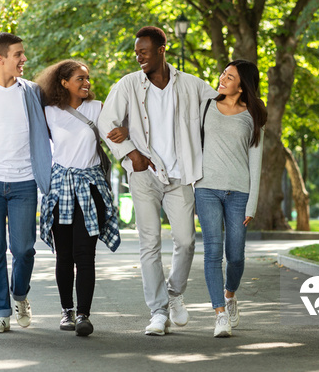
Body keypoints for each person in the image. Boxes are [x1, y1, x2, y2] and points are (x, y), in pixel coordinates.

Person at [98, 26, 217, 335]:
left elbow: (221, 106)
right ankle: (157, 312)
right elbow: (105, 122)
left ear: (162, 49)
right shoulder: (128, 86)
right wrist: (129, 151)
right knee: (149, 243)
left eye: (144, 52)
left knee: (186, 240)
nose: (139, 57)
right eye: (136, 52)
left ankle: (175, 295)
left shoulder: (191, 85)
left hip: (181, 176)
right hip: (144, 175)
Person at [0, 33, 52, 333]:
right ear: (0, 59)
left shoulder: (32, 92)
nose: (24, 60)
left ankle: (20, 295)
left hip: (24, 182)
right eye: (18, 54)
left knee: (25, 249)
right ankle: (0, 312)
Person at [36, 59, 124, 336]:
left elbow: (117, 133)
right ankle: (67, 312)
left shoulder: (97, 109)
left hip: (91, 187)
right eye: (80, 79)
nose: (86, 83)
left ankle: (84, 315)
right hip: (60, 189)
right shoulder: (49, 111)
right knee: (64, 256)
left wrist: (127, 131)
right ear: (63, 83)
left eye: (87, 78)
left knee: (85, 255)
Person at [194, 59, 267, 337]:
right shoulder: (206, 106)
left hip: (239, 191)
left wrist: (253, 202)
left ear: (242, 84)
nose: (223, 78)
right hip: (206, 188)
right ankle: (219, 314)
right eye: (223, 73)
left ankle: (229, 295)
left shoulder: (254, 114)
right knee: (212, 253)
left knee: (235, 255)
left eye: (230, 76)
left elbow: (255, 161)